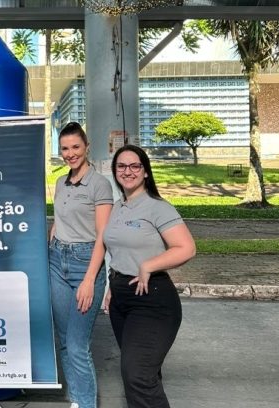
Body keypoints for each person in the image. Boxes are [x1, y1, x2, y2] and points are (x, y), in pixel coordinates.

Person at [103, 144, 196, 408]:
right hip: (122, 298)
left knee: (138, 375)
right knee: (143, 374)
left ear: (145, 171)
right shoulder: (119, 206)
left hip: (152, 300)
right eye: (121, 166)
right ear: (115, 171)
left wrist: (148, 265)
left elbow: (187, 248)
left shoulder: (157, 207)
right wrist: (112, 285)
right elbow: (120, 251)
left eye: (135, 166)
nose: (128, 171)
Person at [49, 122, 113, 408]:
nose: (70, 153)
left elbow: (103, 236)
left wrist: (89, 279)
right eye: (65, 148)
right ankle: (76, 400)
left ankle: (87, 404)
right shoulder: (60, 183)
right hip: (57, 261)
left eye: (76, 147)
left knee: (77, 345)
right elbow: (59, 222)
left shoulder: (99, 184)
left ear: (87, 147)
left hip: (85, 263)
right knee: (64, 341)